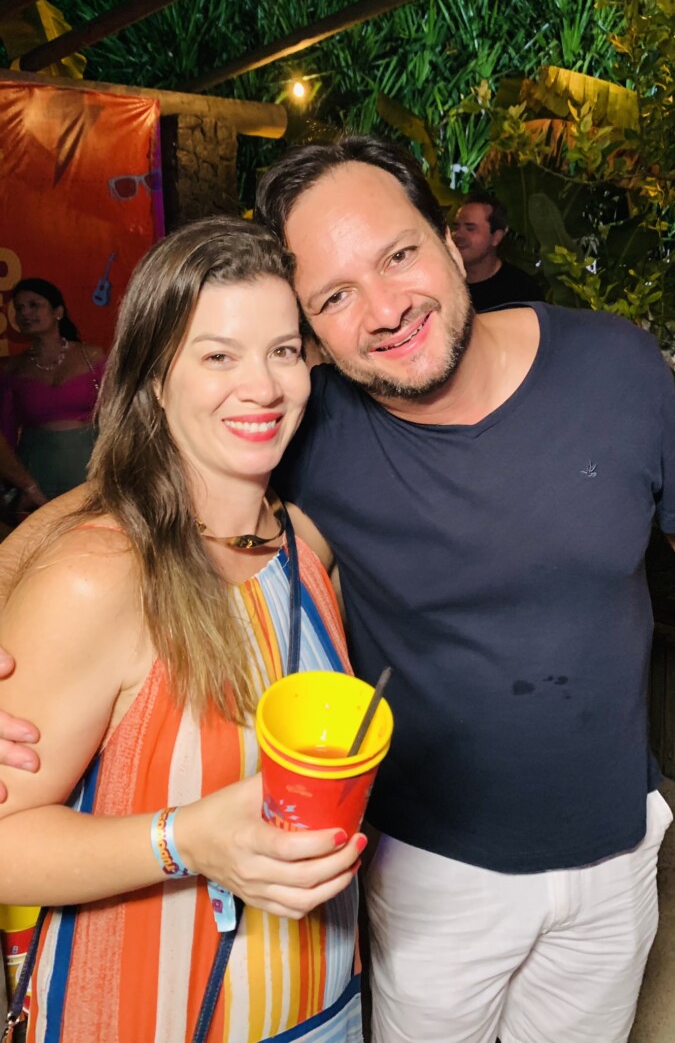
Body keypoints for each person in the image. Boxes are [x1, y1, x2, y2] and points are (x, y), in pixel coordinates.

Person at [3, 137, 674, 1043]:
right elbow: (119, 501)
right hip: (424, 871)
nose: (385, 310)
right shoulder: (311, 434)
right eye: (333, 297)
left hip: (605, 853)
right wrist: (15, 608)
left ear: (450, 240)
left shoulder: (615, 368)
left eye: (396, 255)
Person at [0, 218, 363, 1041]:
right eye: (218, 356)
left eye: (282, 350)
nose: (263, 386)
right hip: (148, 1016)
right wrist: (184, 840)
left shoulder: (302, 548)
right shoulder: (101, 576)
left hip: (325, 1007)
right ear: (155, 380)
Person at [0, 278, 105, 503]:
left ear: (58, 312)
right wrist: (24, 485)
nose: (25, 313)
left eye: (34, 305)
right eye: (19, 308)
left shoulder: (92, 357)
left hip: (91, 470)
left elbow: (119, 416)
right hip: (36, 478)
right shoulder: (13, 369)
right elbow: (5, 435)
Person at [452, 192, 544, 310]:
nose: (458, 235)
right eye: (456, 227)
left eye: (470, 228)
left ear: (496, 237)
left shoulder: (522, 290)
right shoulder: (444, 282)